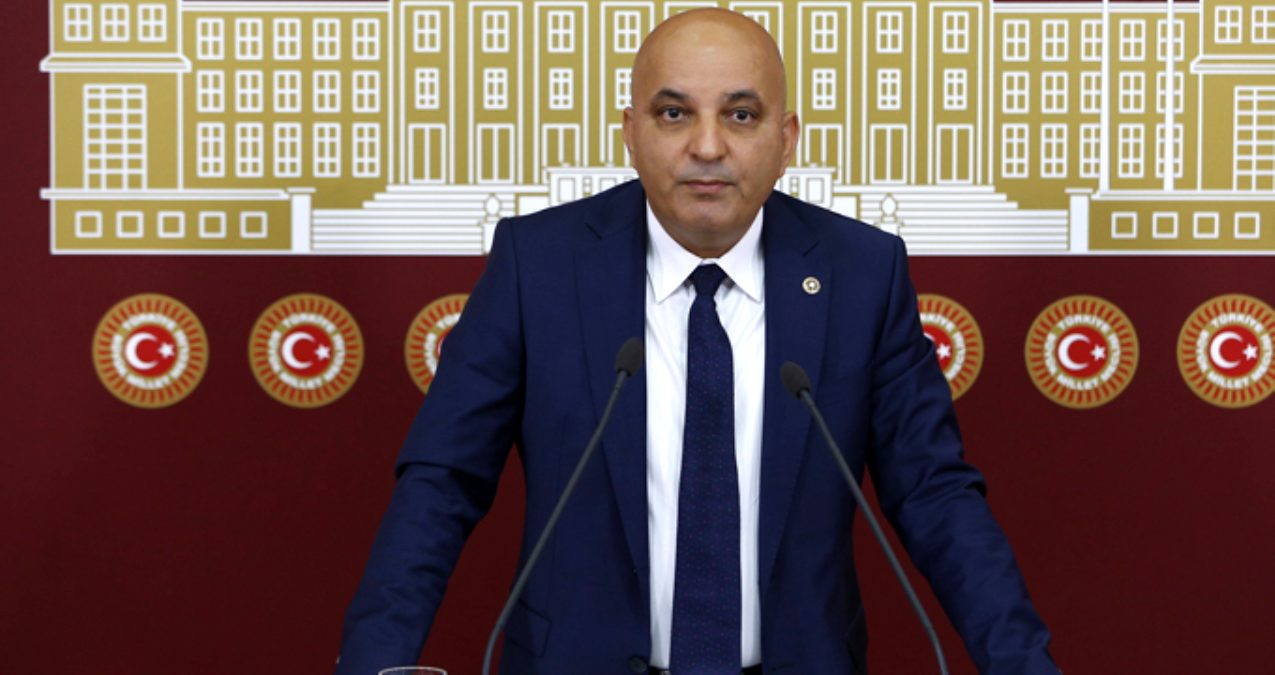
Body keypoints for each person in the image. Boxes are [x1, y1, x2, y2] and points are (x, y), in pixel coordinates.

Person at [337, 8, 1057, 674]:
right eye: (674, 113)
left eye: (740, 115)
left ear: (786, 139)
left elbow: (935, 496)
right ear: (630, 133)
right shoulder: (539, 266)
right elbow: (441, 483)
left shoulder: (862, 273)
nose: (707, 146)